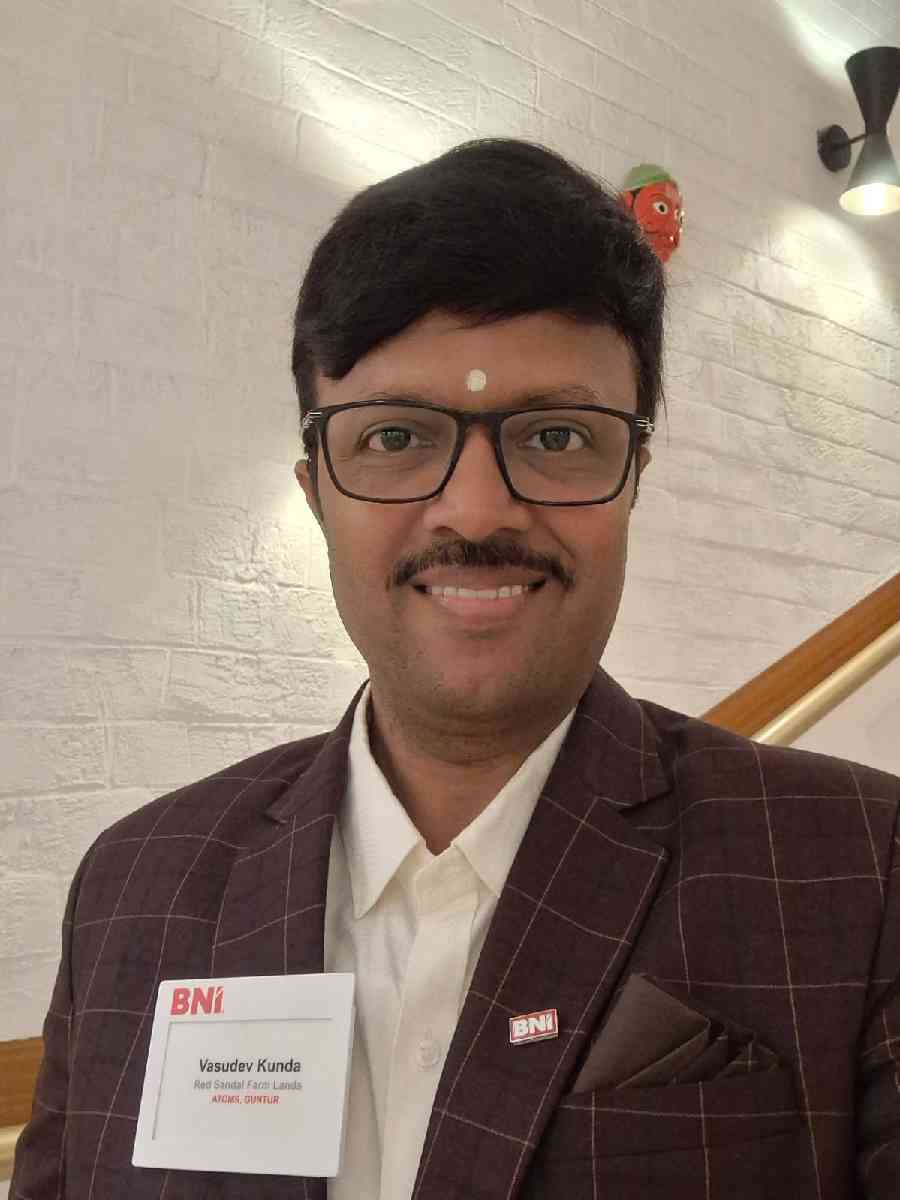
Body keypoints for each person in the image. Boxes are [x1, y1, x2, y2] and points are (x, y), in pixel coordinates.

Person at [12, 139, 900, 1200]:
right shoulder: (132, 886)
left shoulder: (861, 868)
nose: (476, 511)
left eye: (557, 436)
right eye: (395, 436)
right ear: (315, 492)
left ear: (633, 478)